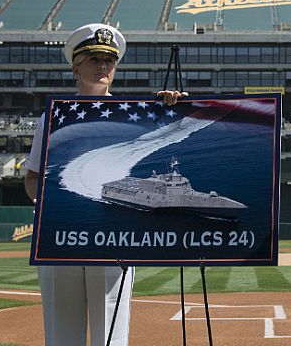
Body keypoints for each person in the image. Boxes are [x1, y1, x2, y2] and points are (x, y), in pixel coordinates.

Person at [24, 23, 187, 346]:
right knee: (60, 334)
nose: (102, 66)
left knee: (111, 334)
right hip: (62, 235)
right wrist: (57, 204)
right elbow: (32, 179)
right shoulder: (53, 117)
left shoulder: (135, 114)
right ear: (75, 67)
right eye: (93, 59)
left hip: (113, 233)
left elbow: (171, 126)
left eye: (108, 61)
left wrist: (171, 106)